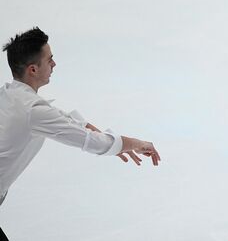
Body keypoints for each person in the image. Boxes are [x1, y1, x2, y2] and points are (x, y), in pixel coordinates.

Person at [0, 27, 161, 240]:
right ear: (32, 69)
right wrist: (135, 143)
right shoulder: (32, 111)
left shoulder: (11, 95)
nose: (54, 64)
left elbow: (68, 120)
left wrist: (117, 144)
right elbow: (92, 142)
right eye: (49, 60)